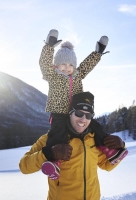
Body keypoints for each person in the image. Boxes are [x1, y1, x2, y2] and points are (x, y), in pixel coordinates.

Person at [39, 29, 128, 179]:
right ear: (56, 65)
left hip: (77, 112)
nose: (67, 68)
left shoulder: (78, 75)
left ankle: (109, 151)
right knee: (57, 134)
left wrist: (98, 53)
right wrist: (49, 46)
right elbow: (44, 63)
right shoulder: (52, 75)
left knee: (94, 126)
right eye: (63, 64)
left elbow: (87, 65)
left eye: (70, 65)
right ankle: (55, 163)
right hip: (59, 113)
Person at [19, 92, 127, 200]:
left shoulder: (93, 139)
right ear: (70, 113)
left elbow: (106, 165)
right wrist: (48, 153)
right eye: (79, 113)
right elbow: (24, 166)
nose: (83, 119)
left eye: (88, 115)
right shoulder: (51, 139)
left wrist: (121, 146)